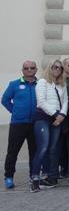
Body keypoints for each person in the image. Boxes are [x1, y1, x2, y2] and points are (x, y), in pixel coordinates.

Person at [31, 59, 68, 192]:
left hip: (57, 119)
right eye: (54, 67)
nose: (57, 69)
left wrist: (62, 116)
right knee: (43, 148)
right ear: (49, 67)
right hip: (43, 118)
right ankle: (34, 178)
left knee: (53, 150)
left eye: (59, 68)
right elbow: (41, 102)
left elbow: (65, 101)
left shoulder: (62, 84)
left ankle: (51, 177)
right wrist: (55, 115)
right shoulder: (42, 82)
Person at [2, 61, 38, 189]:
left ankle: (33, 176)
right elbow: (5, 100)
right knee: (13, 151)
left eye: (32, 68)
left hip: (35, 123)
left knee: (34, 151)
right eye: (26, 68)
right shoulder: (14, 84)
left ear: (36, 69)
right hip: (18, 123)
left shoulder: (41, 84)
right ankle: (9, 177)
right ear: (22, 70)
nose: (29, 70)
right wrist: (15, 111)